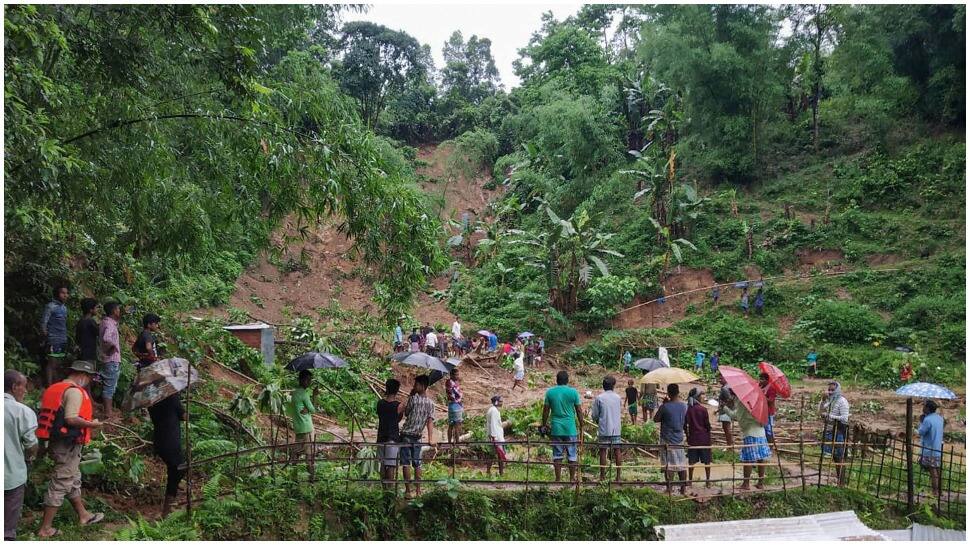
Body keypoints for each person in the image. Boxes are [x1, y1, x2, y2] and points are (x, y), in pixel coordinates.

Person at [36, 360, 105, 537]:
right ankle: (45, 529)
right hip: (66, 444)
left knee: (73, 478)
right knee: (62, 481)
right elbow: (71, 419)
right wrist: (92, 424)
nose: (88, 382)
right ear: (83, 375)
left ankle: (84, 515)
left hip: (55, 441)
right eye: (89, 378)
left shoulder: (55, 388)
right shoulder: (74, 392)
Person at [5, 370, 38, 540]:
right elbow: (31, 445)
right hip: (12, 475)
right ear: (14, 387)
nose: (25, 391)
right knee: (7, 527)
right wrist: (29, 457)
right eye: (24, 387)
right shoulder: (22, 412)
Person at [149, 390, 188, 517]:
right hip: (171, 441)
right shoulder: (172, 396)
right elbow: (184, 416)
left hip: (159, 440)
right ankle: (167, 508)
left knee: (176, 468)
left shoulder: (152, 399)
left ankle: (172, 497)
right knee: (179, 469)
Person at [541, 371, 583, 483]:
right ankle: (571, 479)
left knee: (557, 454)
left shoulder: (550, 392)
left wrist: (543, 424)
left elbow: (545, 410)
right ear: (567, 380)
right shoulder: (573, 392)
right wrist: (582, 424)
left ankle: (558, 479)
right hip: (570, 428)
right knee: (572, 454)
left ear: (557, 380)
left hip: (556, 428)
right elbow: (578, 410)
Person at [723, 396, 771, 490]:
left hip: (750, 433)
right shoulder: (759, 402)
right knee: (761, 458)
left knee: (748, 459)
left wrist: (724, 408)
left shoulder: (743, 403)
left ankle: (746, 484)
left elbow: (735, 416)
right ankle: (760, 483)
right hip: (761, 433)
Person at [400, 375, 435, 499]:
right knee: (417, 463)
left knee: (406, 463)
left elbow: (406, 413)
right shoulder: (431, 403)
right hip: (418, 436)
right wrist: (430, 439)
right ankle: (419, 490)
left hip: (406, 434)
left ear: (423, 386)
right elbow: (430, 422)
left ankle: (408, 491)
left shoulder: (413, 399)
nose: (414, 387)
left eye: (416, 385)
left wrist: (410, 395)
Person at [654, 383, 688, 495]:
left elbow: (656, 419)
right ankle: (683, 488)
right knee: (681, 463)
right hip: (679, 437)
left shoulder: (665, 407)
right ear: (678, 392)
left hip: (667, 438)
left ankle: (669, 488)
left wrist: (663, 405)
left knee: (668, 464)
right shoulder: (684, 406)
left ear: (668, 393)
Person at [591, 376, 623, 481]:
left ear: (603, 386)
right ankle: (618, 476)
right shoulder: (618, 398)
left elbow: (595, 415)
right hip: (616, 429)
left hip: (604, 428)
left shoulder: (599, 398)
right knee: (617, 450)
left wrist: (597, 419)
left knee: (603, 451)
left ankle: (602, 476)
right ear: (613, 386)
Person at [819, 381, 850, 484]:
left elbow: (845, 418)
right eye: (829, 390)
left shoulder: (842, 401)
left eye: (833, 390)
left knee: (839, 456)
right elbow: (820, 411)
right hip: (829, 430)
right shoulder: (830, 401)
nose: (830, 392)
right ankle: (839, 480)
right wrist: (823, 401)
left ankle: (841, 482)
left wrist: (830, 416)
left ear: (838, 390)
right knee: (834, 456)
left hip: (839, 431)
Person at [376, 378, 403, 490]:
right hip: (392, 437)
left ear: (386, 388)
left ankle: (384, 489)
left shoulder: (380, 403)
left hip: (381, 437)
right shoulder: (399, 405)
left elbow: (380, 416)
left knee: (382, 464)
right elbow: (398, 419)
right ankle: (390, 489)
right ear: (397, 390)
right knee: (391, 465)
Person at [40, 286, 70, 386]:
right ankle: (49, 385)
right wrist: (45, 335)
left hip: (62, 338)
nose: (65, 295)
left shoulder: (64, 308)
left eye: (66, 293)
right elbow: (44, 322)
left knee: (58, 364)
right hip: (53, 338)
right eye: (63, 293)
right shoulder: (50, 306)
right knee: (51, 363)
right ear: (57, 294)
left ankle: (55, 385)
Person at [98, 302, 122, 418]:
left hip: (106, 359)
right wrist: (113, 348)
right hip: (111, 359)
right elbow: (106, 338)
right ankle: (108, 413)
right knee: (109, 386)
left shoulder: (105, 322)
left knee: (108, 385)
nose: (119, 311)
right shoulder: (110, 324)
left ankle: (108, 410)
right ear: (114, 311)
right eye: (118, 309)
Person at [685, 388, 713, 488]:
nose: (703, 397)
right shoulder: (703, 410)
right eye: (701, 395)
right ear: (697, 396)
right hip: (704, 438)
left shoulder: (688, 409)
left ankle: (690, 481)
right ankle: (708, 481)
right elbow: (707, 425)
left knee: (691, 461)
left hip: (693, 438)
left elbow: (685, 425)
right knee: (707, 461)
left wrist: (688, 435)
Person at [917, 400, 944, 497]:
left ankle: (935, 492)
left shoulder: (927, 420)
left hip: (929, 449)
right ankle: (940, 491)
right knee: (937, 470)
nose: (922, 408)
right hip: (937, 448)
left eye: (924, 406)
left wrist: (921, 422)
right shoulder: (940, 418)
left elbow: (921, 432)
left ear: (928, 408)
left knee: (933, 471)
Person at [287, 370, 316, 462]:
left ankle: (293, 473)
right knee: (309, 454)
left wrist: (307, 409)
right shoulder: (304, 394)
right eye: (307, 379)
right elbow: (313, 410)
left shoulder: (295, 393)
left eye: (310, 380)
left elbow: (296, 408)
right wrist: (315, 396)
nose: (309, 382)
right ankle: (311, 475)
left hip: (298, 427)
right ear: (301, 380)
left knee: (296, 452)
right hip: (307, 427)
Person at [485, 395, 506, 477]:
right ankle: (501, 473)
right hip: (496, 436)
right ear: (496, 402)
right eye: (500, 401)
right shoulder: (494, 411)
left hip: (494, 436)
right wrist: (494, 437)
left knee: (492, 454)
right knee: (500, 455)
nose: (502, 403)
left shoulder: (493, 410)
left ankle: (488, 471)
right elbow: (493, 424)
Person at [445, 368, 463, 444]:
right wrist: (460, 396)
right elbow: (453, 394)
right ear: (451, 375)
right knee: (456, 424)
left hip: (454, 404)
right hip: (455, 405)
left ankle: (450, 442)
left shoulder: (453, 382)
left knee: (452, 424)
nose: (457, 376)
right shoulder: (450, 382)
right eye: (456, 375)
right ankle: (457, 442)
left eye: (458, 374)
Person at [717, 375, 735, 447]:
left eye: (721, 378)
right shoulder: (728, 387)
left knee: (726, 428)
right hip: (727, 410)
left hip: (725, 411)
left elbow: (730, 399)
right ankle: (730, 445)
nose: (720, 380)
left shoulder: (725, 388)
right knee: (727, 428)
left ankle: (729, 445)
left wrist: (723, 405)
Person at [759, 372, 778, 441]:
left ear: (767, 380)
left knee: (768, 428)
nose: (761, 381)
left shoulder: (771, 388)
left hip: (768, 411)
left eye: (762, 379)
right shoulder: (760, 386)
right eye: (760, 379)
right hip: (761, 410)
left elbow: (771, 400)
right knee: (762, 427)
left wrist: (762, 396)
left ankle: (770, 442)